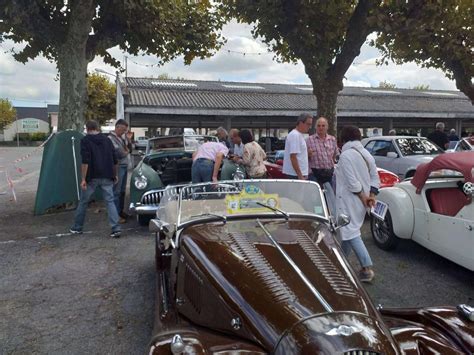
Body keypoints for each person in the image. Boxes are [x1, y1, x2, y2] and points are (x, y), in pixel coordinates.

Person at [335, 125, 380, 282]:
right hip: (363, 200)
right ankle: (340, 262)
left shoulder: (346, 155)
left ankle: (366, 268)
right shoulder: (366, 154)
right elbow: (375, 178)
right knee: (348, 231)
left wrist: (363, 198)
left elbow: (352, 183)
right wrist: (371, 196)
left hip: (349, 200)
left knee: (351, 231)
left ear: (344, 138)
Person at [70, 120, 121, 238]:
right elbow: (115, 160)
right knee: (110, 201)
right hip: (108, 175)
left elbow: (85, 161)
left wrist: (83, 178)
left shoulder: (85, 141)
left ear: (87, 129)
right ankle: (116, 228)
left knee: (83, 202)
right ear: (98, 128)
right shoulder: (107, 140)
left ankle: (77, 227)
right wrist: (115, 174)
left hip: (92, 176)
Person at [108, 119, 130, 223]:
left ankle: (120, 211)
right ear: (117, 127)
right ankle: (115, 215)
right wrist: (126, 152)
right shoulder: (110, 138)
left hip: (124, 165)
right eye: (123, 130)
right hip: (118, 166)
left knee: (122, 191)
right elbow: (119, 153)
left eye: (125, 130)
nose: (124, 132)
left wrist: (128, 141)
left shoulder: (121, 138)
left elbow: (129, 148)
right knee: (116, 192)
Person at [306, 117, 338, 185]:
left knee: (330, 194)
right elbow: (304, 157)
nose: (321, 128)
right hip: (315, 173)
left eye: (323, 126)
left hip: (329, 173)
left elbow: (335, 154)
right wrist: (308, 154)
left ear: (327, 127)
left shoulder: (332, 139)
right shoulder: (309, 140)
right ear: (315, 127)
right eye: (318, 126)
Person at [282, 113, 312, 180]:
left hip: (297, 174)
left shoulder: (298, 135)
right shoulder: (295, 135)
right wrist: (300, 175)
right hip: (295, 175)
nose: (310, 127)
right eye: (308, 124)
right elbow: (293, 157)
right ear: (301, 123)